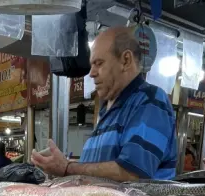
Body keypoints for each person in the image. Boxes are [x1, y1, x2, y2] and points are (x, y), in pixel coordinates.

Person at [31, 27, 177, 181]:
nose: (92, 72)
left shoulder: (151, 101)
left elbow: (132, 173)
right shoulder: (107, 110)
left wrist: (67, 168)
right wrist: (59, 164)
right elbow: (96, 171)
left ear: (125, 60)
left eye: (99, 63)